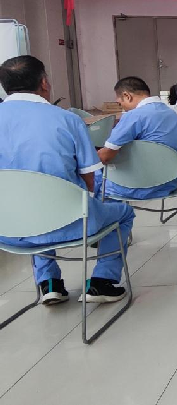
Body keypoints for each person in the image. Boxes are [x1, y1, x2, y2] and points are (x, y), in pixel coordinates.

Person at [0, 56, 135, 304]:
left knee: (29, 205)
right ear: (44, 82)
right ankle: (102, 282)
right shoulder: (67, 119)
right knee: (124, 213)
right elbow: (89, 178)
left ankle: (49, 283)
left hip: (8, 228)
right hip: (70, 221)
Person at [96, 76, 177, 199]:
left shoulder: (134, 115)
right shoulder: (171, 113)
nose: (122, 107)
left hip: (138, 186)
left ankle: (118, 210)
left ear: (127, 96)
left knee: (93, 176)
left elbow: (105, 156)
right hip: (169, 183)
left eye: (120, 103)